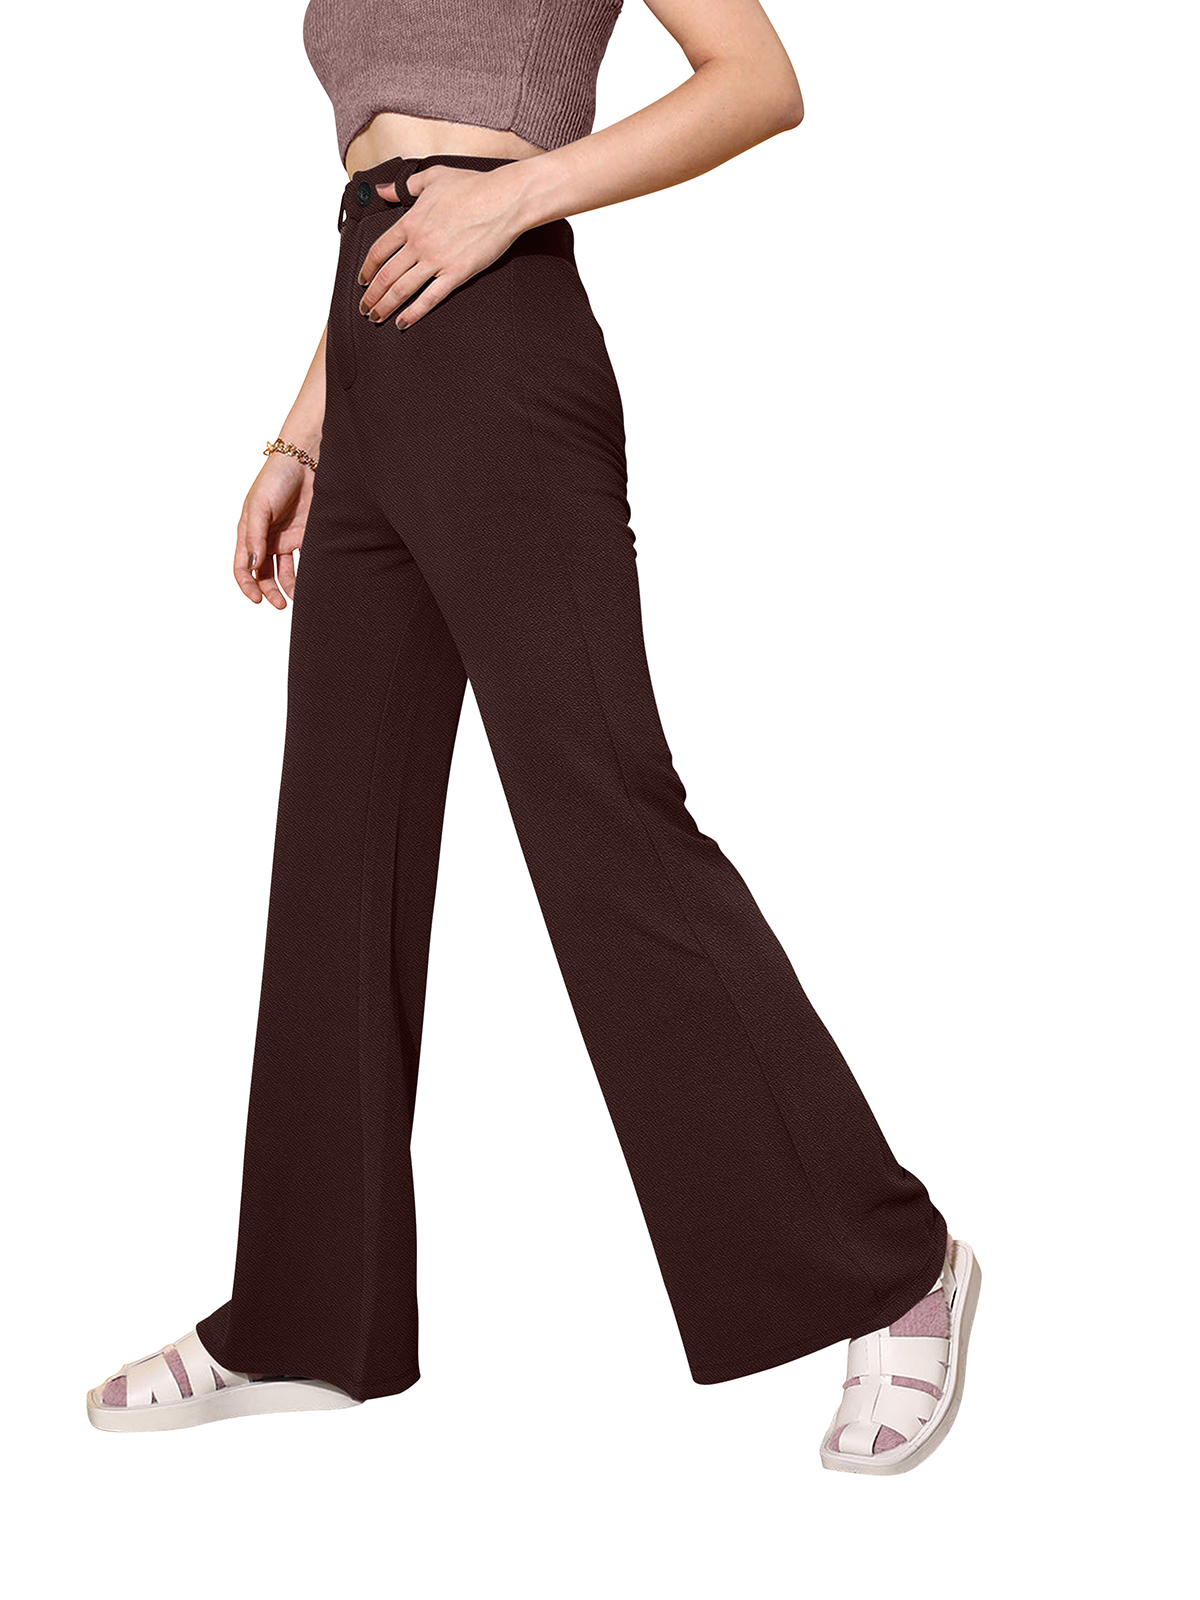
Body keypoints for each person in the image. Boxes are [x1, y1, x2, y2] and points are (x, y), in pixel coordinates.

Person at [86, 0, 981, 1473]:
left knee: (601, 816)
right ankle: (302, 1316)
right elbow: (390, 205)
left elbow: (759, 81)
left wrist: (514, 197)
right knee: (339, 844)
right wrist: (304, 433)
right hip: (374, 365)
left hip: (504, 344)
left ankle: (888, 1267)